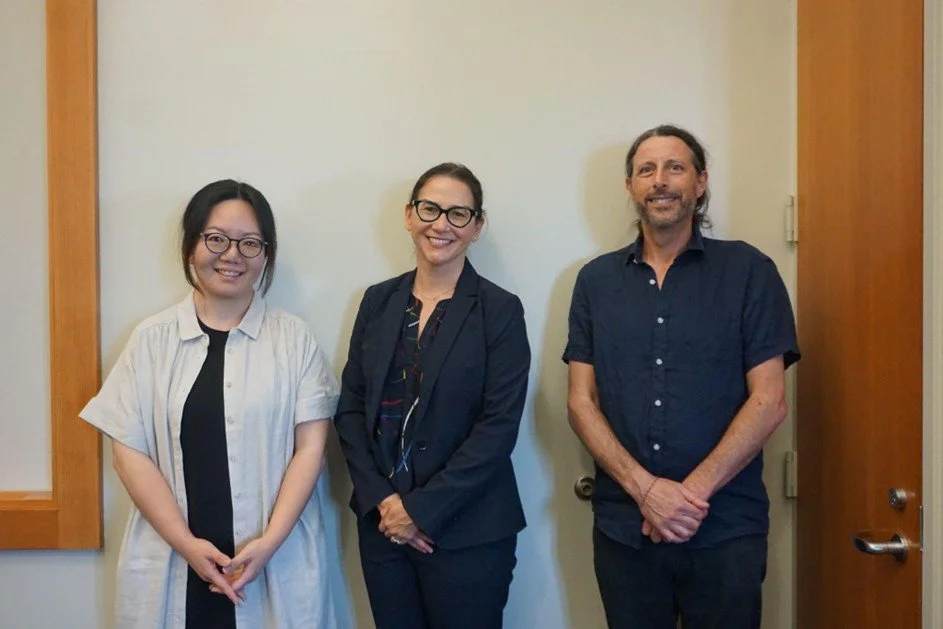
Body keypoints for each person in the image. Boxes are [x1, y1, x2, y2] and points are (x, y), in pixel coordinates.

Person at [564, 125, 801, 629]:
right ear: (630, 188)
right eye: (646, 170)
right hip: (625, 528)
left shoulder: (750, 272)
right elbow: (580, 402)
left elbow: (770, 400)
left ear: (700, 182)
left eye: (675, 167)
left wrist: (685, 497)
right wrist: (647, 492)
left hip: (724, 529)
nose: (661, 181)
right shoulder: (595, 281)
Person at [80, 180, 340, 629]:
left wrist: (271, 541)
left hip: (272, 559)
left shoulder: (293, 339)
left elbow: (311, 449)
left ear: (266, 253)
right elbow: (128, 451)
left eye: (249, 242)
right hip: (172, 558)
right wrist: (186, 545)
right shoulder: (151, 340)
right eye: (216, 238)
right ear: (190, 246)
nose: (232, 254)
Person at [334, 162, 530, 629]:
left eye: (458, 214)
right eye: (430, 209)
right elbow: (350, 410)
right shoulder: (377, 301)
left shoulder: (500, 310)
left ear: (477, 227)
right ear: (409, 215)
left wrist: (419, 512)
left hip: (469, 534)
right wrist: (386, 504)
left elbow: (498, 428)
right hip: (384, 531)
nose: (441, 224)